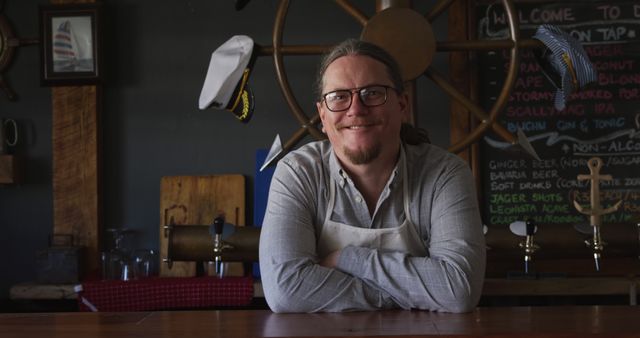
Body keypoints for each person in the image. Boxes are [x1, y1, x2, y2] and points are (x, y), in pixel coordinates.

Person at [259, 38, 485, 313]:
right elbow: (285, 291)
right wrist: (414, 293)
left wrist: (347, 259)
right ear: (322, 115)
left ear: (402, 106)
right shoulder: (298, 173)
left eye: (373, 93)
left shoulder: (445, 174)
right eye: (339, 97)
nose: (356, 109)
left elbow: (458, 290)